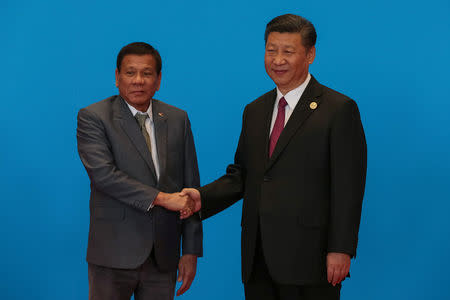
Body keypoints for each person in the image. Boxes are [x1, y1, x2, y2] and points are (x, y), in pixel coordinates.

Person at [181, 14, 367, 300]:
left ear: (310, 54)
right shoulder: (254, 110)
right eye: (271, 50)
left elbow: (348, 186)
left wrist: (341, 248)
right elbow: (243, 175)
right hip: (258, 256)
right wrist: (201, 198)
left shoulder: (338, 109)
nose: (277, 59)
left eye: (288, 51)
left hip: (311, 257)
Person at [77, 42, 202, 300]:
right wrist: (164, 199)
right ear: (116, 77)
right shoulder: (94, 117)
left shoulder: (178, 119)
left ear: (158, 80)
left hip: (163, 255)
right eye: (130, 73)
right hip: (113, 253)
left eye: (146, 74)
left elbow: (191, 187)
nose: (138, 81)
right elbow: (104, 176)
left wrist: (190, 250)